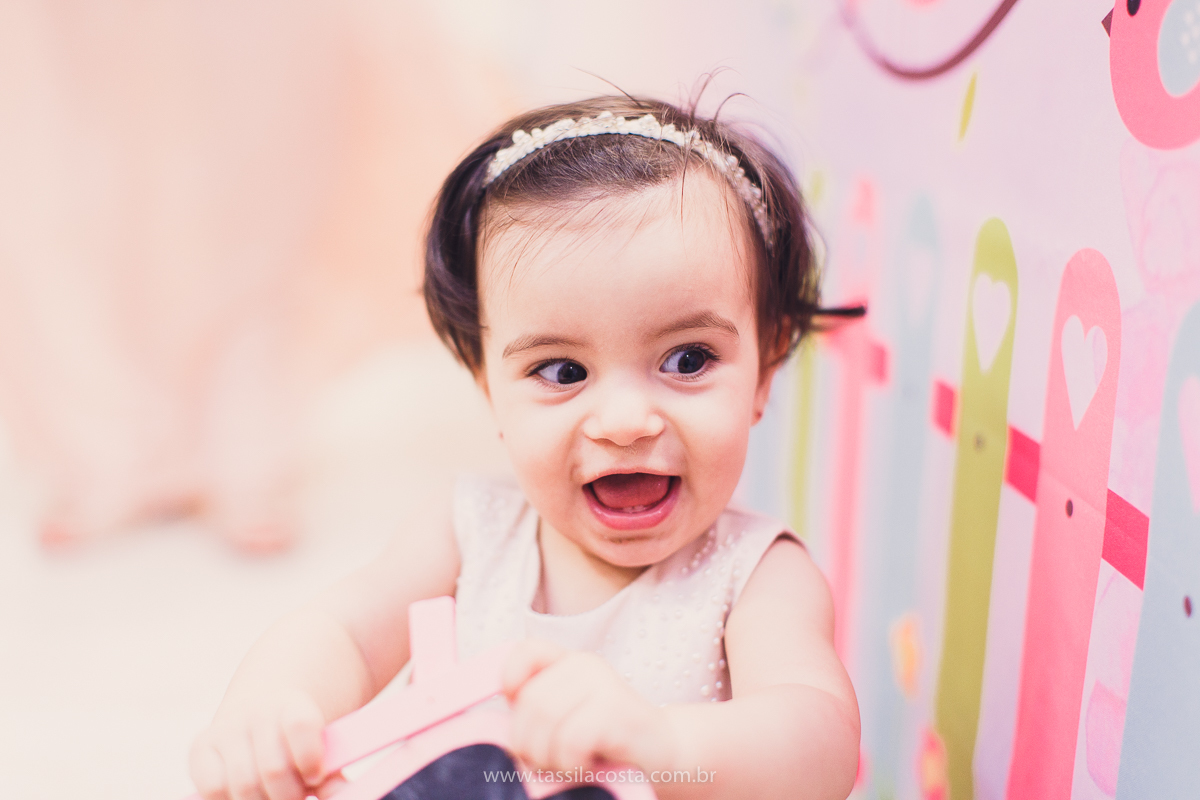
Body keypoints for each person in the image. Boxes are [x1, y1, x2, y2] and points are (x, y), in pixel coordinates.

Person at [188, 95, 860, 800]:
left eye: (688, 359)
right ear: (488, 386)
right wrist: (272, 703)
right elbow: (343, 633)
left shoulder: (754, 577)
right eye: (563, 372)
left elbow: (820, 745)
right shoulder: (468, 534)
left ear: (767, 364)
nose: (626, 421)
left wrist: (664, 743)